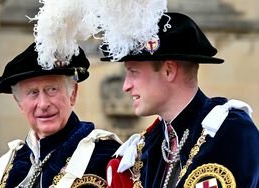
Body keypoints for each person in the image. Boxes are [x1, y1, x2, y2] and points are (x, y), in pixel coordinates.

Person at [99, 12, 259, 187]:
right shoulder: (149, 145)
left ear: (169, 70)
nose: (126, 86)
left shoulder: (230, 131)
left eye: (134, 72)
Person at [0, 42, 122, 188]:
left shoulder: (106, 156)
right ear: (19, 103)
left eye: (52, 89)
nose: (43, 104)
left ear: (72, 94)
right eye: (33, 93)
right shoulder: (2, 169)